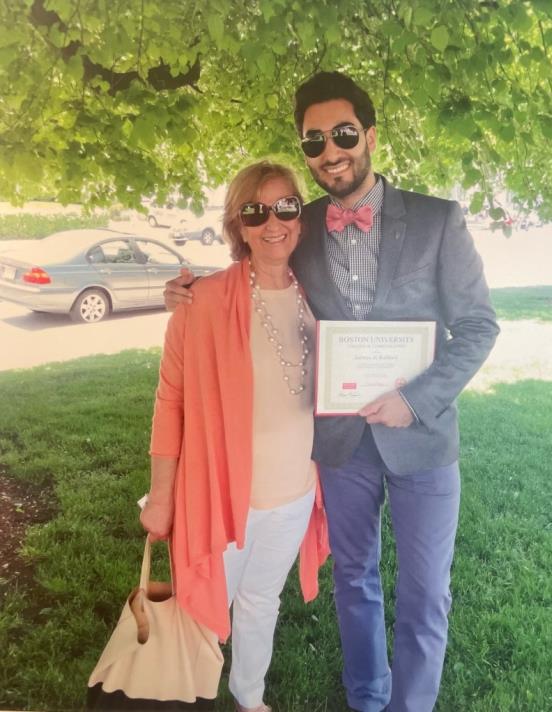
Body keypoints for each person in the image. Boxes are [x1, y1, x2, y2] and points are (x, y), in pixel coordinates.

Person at [165, 72, 499, 712]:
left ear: (369, 136)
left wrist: (416, 398)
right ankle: (367, 699)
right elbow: (256, 264)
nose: (330, 150)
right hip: (341, 444)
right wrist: (188, 293)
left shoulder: (438, 220)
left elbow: (479, 326)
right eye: (314, 140)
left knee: (426, 593)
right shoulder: (300, 221)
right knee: (354, 578)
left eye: (343, 133)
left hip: (422, 440)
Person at [140, 160, 329, 712]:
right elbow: (169, 402)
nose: (274, 222)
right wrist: (161, 496)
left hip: (294, 492)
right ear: (237, 225)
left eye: (286, 207)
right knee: (202, 609)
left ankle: (249, 696)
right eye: (256, 211)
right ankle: (188, 693)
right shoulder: (200, 301)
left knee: (260, 600)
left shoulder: (319, 295)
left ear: (302, 215)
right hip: (223, 497)